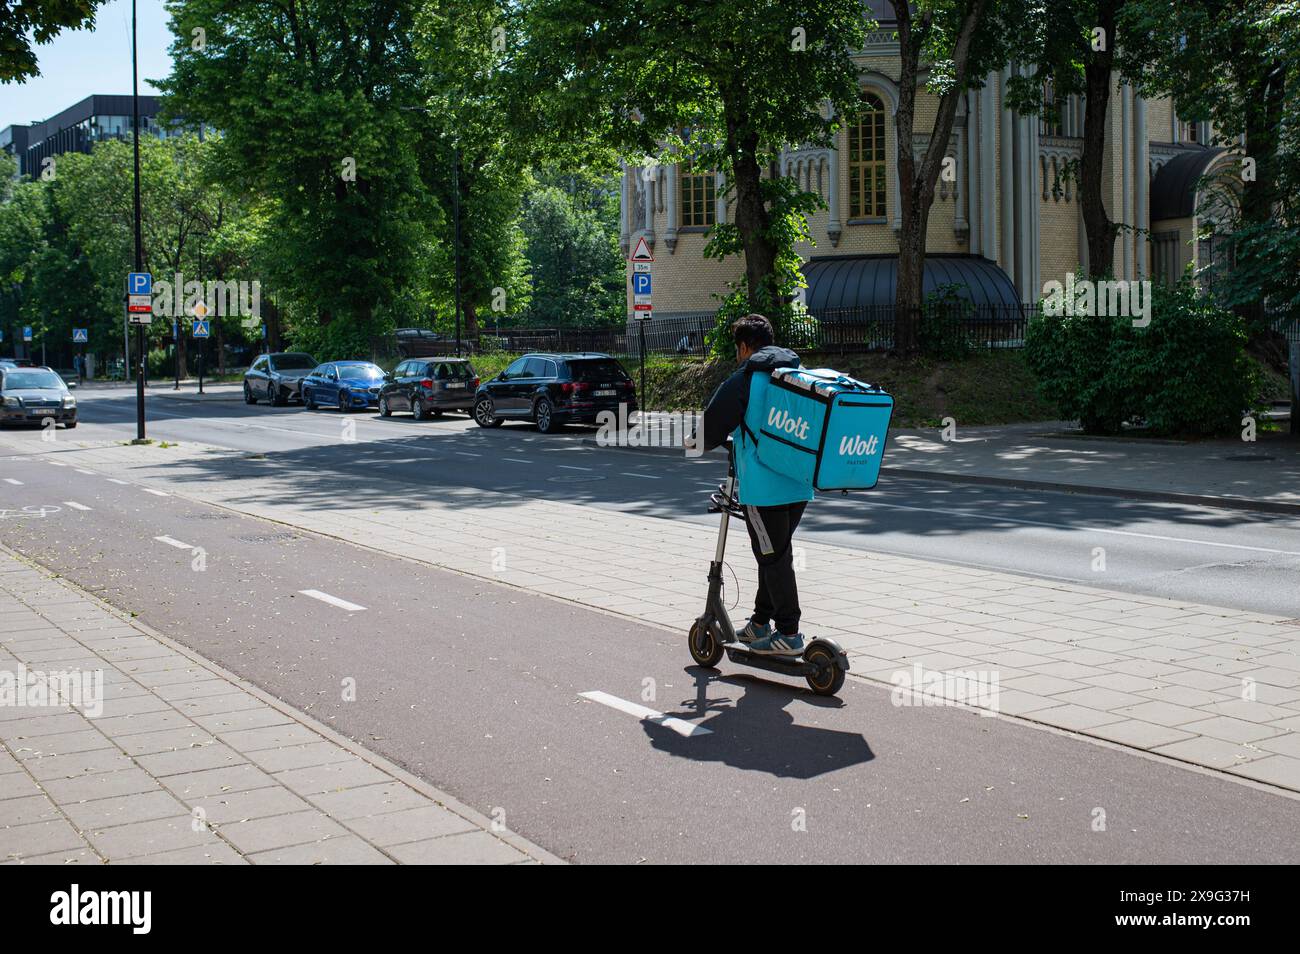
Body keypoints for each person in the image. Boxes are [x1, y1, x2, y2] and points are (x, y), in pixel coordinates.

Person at [697, 314, 810, 656]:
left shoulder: (744, 380)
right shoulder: (797, 375)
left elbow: (710, 428)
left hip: (763, 491)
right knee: (772, 553)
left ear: (745, 347)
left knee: (773, 557)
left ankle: (789, 633)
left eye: (737, 349)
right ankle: (760, 623)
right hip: (800, 486)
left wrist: (692, 442)